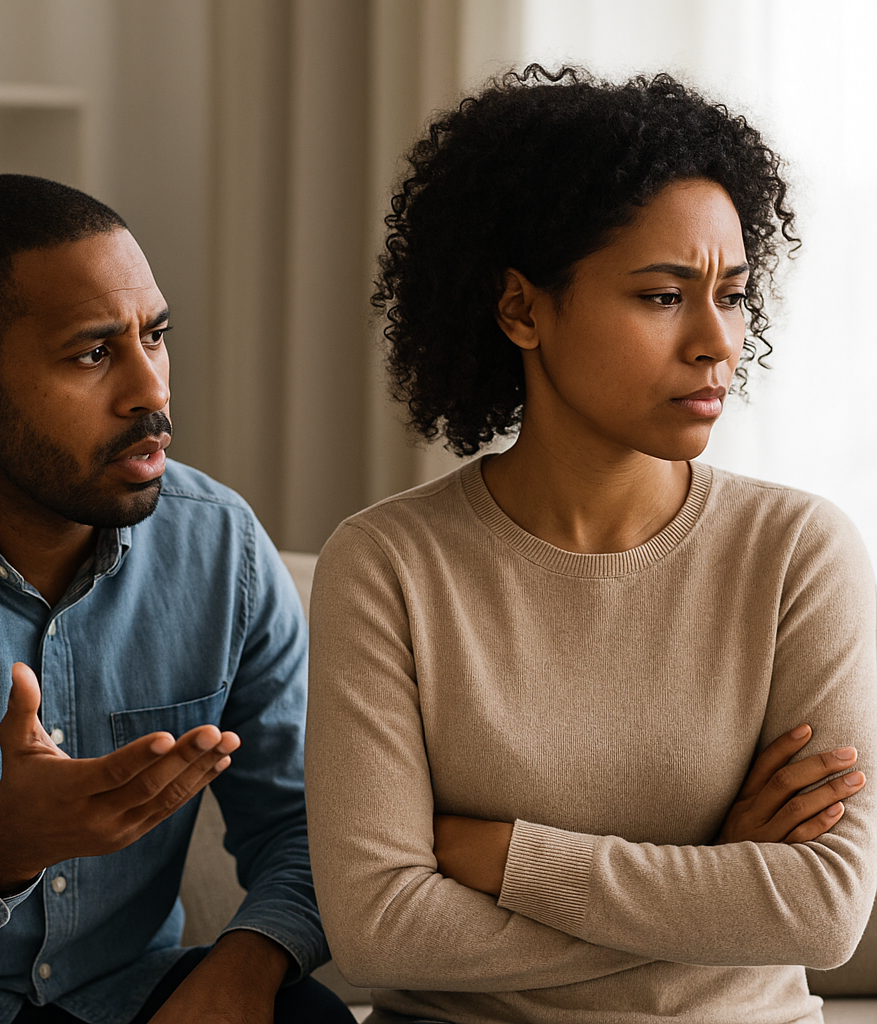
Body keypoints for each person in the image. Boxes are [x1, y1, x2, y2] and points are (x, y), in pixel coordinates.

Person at [304, 66, 877, 1023]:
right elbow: (378, 930)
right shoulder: (388, 564)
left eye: (734, 295)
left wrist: (511, 858)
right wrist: (713, 887)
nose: (717, 341)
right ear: (522, 310)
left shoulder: (798, 553)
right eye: (662, 296)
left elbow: (822, 913)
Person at [0, 175, 354, 1024]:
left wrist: (247, 964)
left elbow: (308, 830)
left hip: (132, 997)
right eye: (92, 354)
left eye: (154, 336)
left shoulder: (221, 547)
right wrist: (1, 844)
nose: (150, 391)